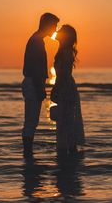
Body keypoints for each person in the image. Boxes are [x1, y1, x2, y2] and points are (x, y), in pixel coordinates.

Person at [22, 12, 59, 157]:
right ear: (47, 25)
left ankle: (28, 153)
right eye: (54, 26)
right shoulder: (36, 41)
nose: (55, 30)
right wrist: (39, 88)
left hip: (33, 83)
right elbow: (35, 68)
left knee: (31, 122)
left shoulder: (36, 40)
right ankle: (27, 153)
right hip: (33, 83)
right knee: (31, 122)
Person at [51, 25, 85, 155]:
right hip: (67, 87)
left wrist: (56, 89)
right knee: (66, 123)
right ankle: (69, 155)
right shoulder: (64, 51)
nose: (57, 31)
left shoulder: (65, 53)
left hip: (66, 89)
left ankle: (68, 153)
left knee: (66, 123)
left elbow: (63, 75)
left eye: (60, 31)